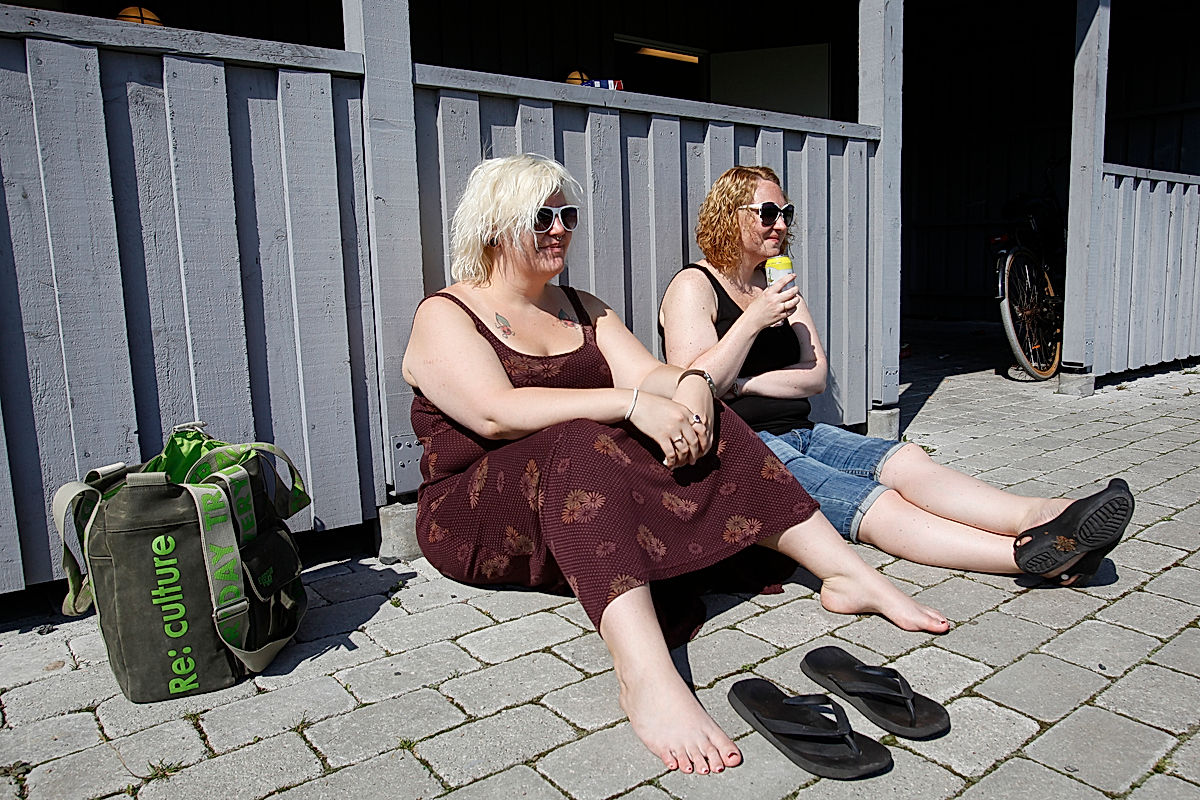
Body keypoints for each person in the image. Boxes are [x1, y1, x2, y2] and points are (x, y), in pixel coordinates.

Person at [402, 154, 950, 777]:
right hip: (478, 510)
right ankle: (646, 678)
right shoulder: (447, 313)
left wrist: (692, 388)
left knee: (715, 416)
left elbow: (649, 374)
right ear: (495, 226)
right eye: (541, 218)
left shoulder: (582, 307)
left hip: (578, 494)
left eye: (568, 216)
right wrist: (631, 404)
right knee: (577, 441)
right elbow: (495, 413)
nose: (560, 229)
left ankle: (847, 575)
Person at [659, 165, 1134, 587]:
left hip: (801, 430)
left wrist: (745, 384)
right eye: (768, 213)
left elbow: (815, 376)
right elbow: (693, 384)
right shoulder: (694, 286)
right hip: (742, 445)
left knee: (909, 462)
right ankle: (1029, 557)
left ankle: (1047, 514)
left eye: (786, 212)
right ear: (730, 215)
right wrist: (753, 321)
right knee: (875, 502)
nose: (781, 224)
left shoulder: (777, 285)